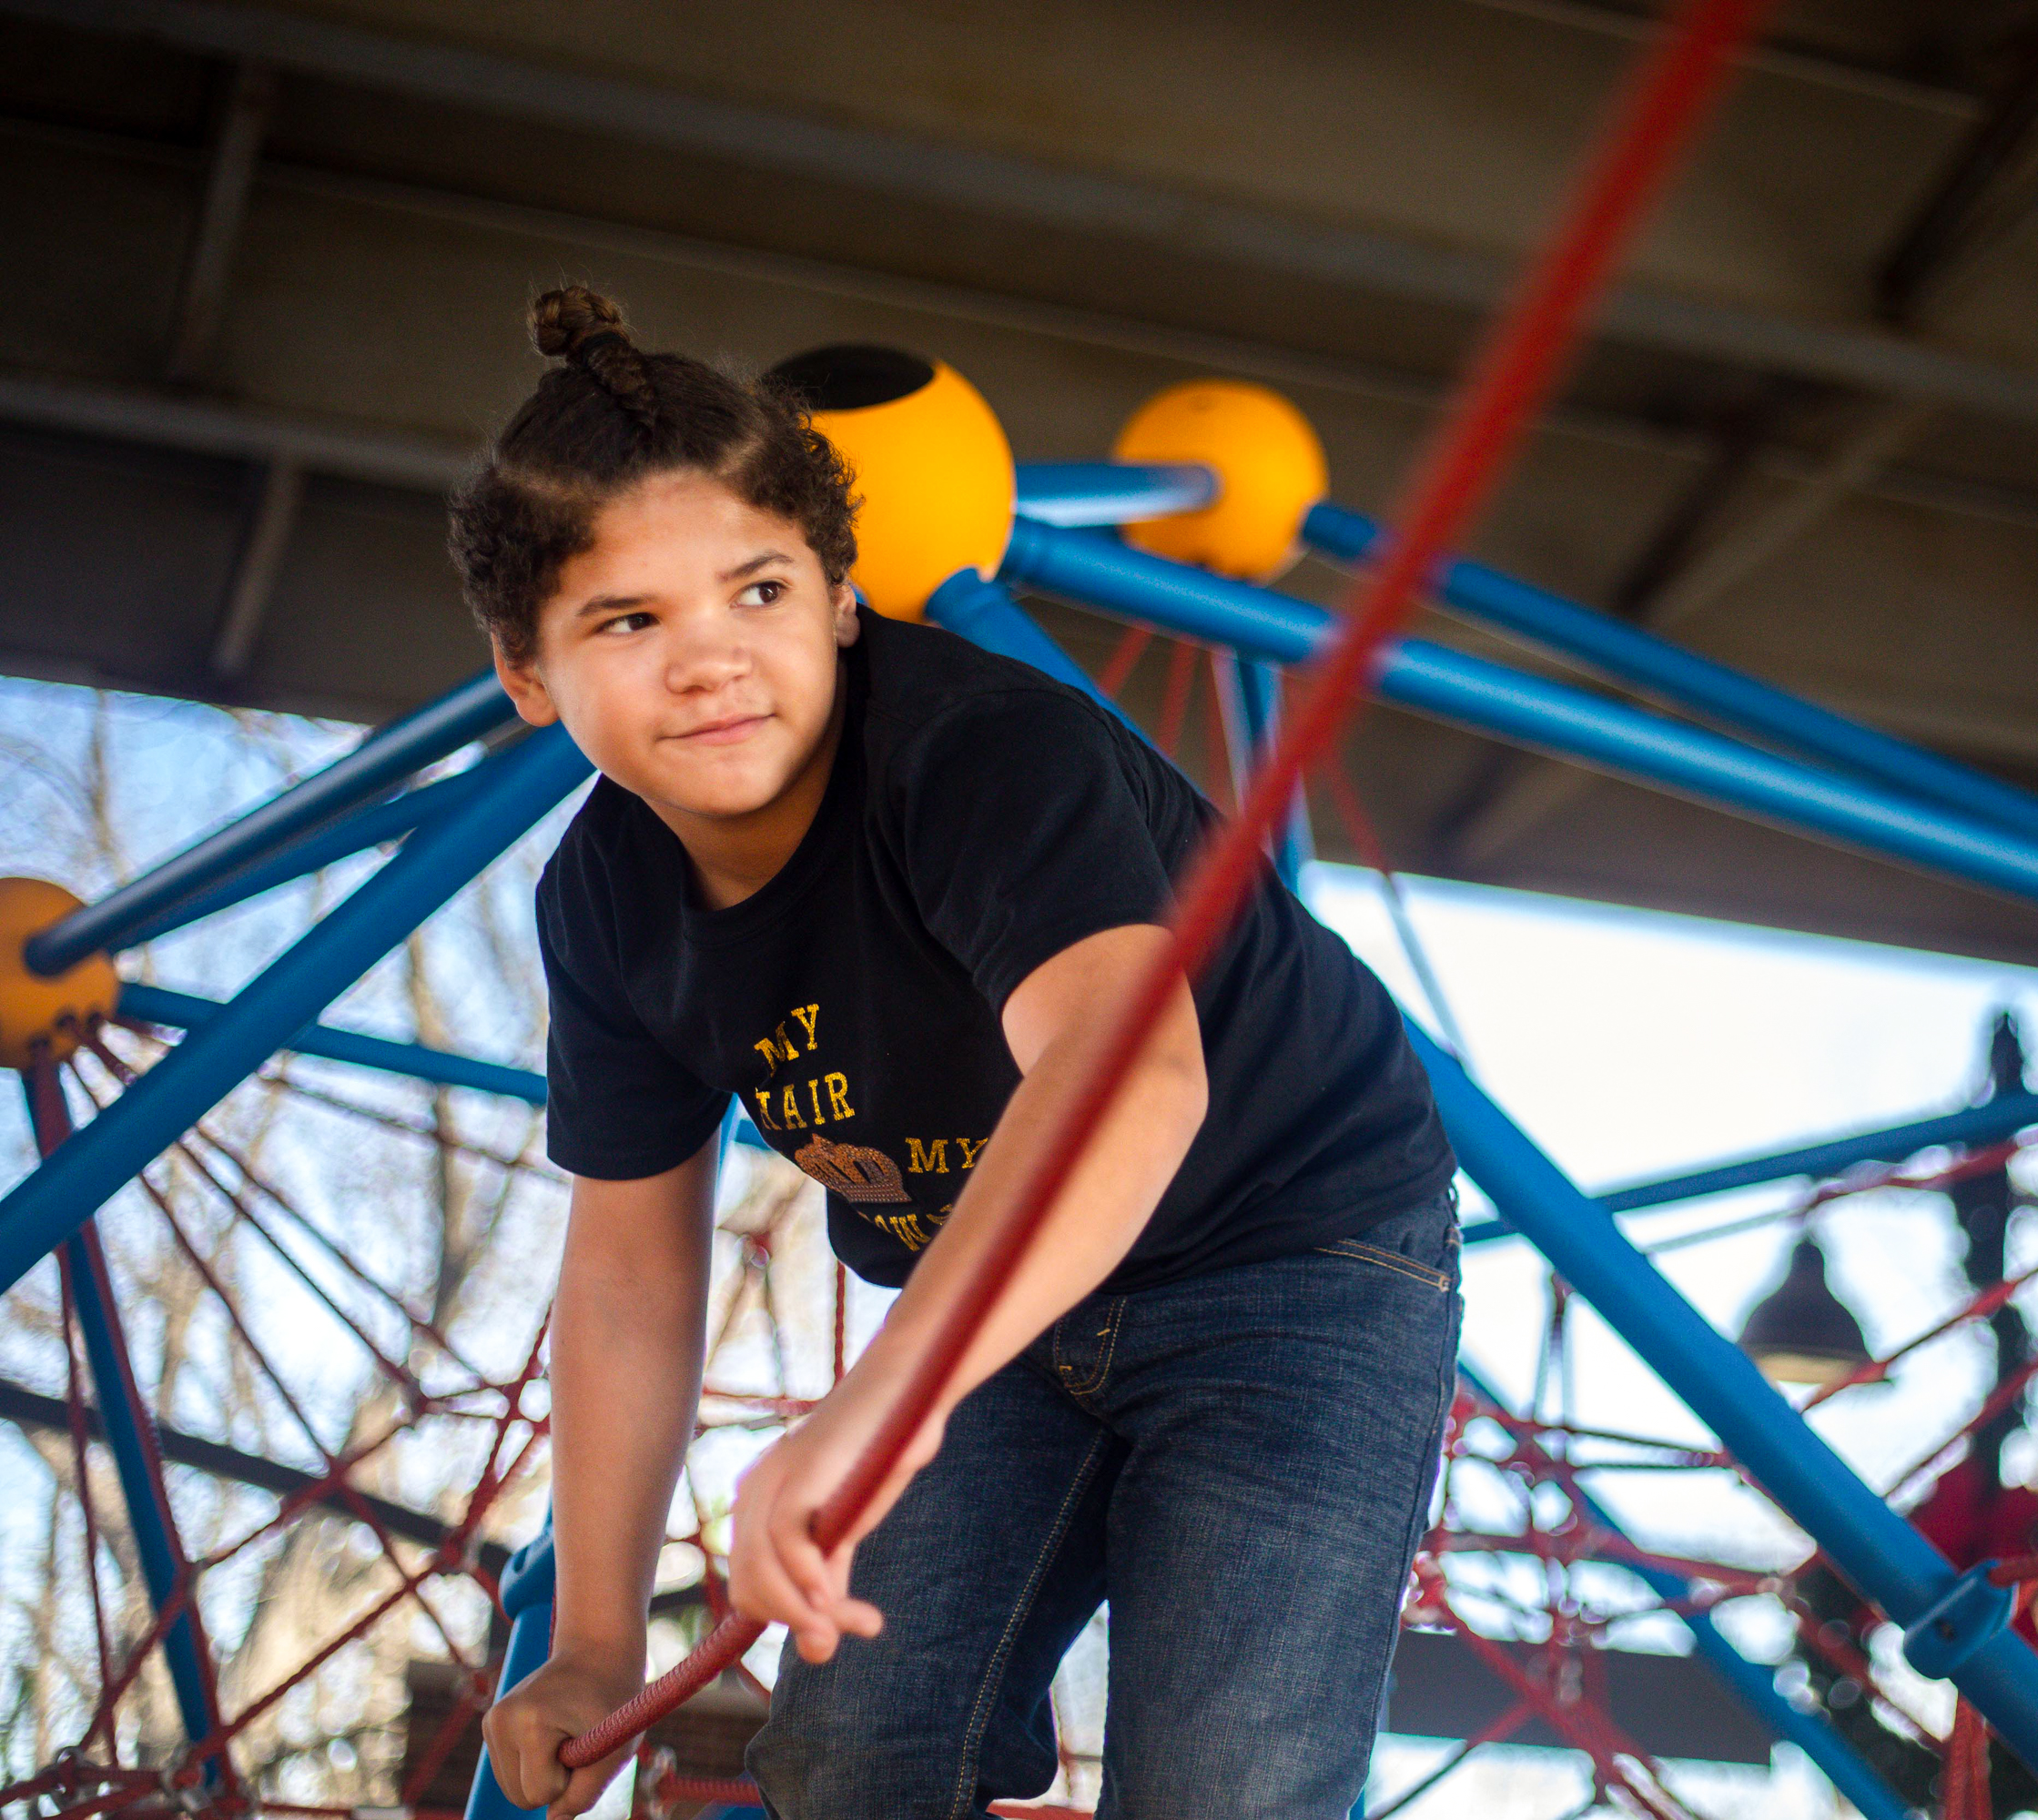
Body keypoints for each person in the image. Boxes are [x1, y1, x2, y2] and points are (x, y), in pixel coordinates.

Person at [461, 288, 1462, 1820]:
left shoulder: (983, 751)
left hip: (1292, 1255)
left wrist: (877, 1412)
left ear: (843, 597)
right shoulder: (603, 903)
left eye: (759, 593)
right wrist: (592, 1642)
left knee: (1225, 1787)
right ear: (527, 673)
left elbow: (1129, 1080)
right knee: (851, 1758)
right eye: (630, 620)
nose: (712, 661)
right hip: (993, 1309)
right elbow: (627, 1275)